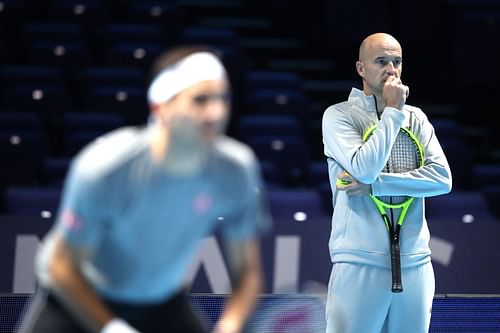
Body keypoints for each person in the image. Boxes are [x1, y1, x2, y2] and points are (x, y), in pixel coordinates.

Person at [18, 46, 270, 333]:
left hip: (162, 303)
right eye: (200, 100)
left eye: (223, 98)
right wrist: (112, 328)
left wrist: (230, 325)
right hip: (79, 298)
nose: (216, 112)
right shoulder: (105, 169)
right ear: (160, 106)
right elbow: (62, 266)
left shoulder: (237, 169)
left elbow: (247, 270)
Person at [321, 33, 452, 333]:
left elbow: (442, 179)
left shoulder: (417, 119)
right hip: (358, 262)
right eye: (381, 61)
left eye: (397, 62)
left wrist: (376, 187)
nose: (391, 70)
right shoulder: (338, 117)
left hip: (416, 264)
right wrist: (393, 112)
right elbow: (364, 168)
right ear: (361, 68)